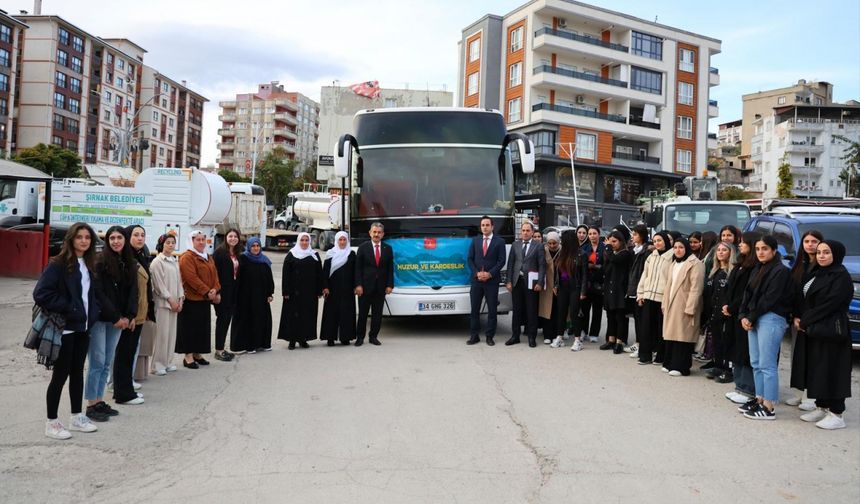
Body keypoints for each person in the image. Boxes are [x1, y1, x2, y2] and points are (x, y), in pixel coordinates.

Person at [34, 222, 101, 439]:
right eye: (79, 237)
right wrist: (69, 308)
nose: (84, 241)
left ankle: (76, 417)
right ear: (71, 239)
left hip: (83, 328)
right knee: (60, 376)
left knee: (77, 374)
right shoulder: (58, 264)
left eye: (87, 237)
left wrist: (93, 315)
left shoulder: (89, 264)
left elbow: (90, 296)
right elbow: (41, 293)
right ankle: (51, 422)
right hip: (65, 329)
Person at [792, 241, 854, 430]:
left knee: (833, 369)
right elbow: (804, 297)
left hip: (831, 331)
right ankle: (822, 405)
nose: (821, 256)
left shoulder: (841, 276)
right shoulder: (818, 273)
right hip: (815, 329)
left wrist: (805, 320)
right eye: (819, 252)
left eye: (826, 252)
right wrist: (798, 316)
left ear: (836, 254)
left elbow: (829, 304)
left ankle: (837, 413)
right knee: (818, 368)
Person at [85, 226, 137, 420]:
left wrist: (130, 316)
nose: (116, 241)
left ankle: (99, 400)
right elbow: (99, 294)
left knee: (107, 362)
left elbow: (133, 292)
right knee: (96, 362)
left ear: (125, 240)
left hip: (120, 321)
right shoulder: (100, 261)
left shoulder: (128, 262)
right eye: (112, 238)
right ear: (107, 240)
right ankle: (91, 404)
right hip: (102, 320)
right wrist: (116, 317)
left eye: (119, 237)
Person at [738, 235, 793, 420]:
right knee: (756, 362)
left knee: (767, 364)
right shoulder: (757, 268)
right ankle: (759, 399)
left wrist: (751, 317)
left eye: (765, 249)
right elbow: (747, 294)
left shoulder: (781, 271)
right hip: (754, 317)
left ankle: (769, 407)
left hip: (771, 318)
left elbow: (771, 298)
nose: (760, 252)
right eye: (758, 249)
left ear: (774, 251)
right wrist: (743, 316)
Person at [787, 229, 824, 411]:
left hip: (813, 320)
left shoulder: (823, 267)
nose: (810, 244)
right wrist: (795, 316)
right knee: (798, 356)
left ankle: (812, 397)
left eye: (814, 241)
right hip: (797, 319)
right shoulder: (799, 265)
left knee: (813, 358)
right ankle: (800, 393)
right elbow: (794, 293)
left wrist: (806, 319)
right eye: (807, 241)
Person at [722, 231, 760, 403]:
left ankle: (748, 389)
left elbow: (746, 293)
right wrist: (727, 305)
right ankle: (739, 385)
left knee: (745, 352)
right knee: (735, 349)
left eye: (743, 242)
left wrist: (733, 307)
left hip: (742, 313)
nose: (740, 245)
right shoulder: (740, 264)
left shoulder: (754, 267)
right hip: (732, 313)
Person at [113, 227, 150, 405]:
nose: (140, 238)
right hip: (131, 316)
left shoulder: (139, 256)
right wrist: (131, 314)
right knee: (124, 354)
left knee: (129, 354)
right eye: (135, 235)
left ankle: (127, 389)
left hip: (139, 314)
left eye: (142, 235)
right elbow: (127, 291)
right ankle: (123, 394)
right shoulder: (127, 260)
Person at [177, 230, 221, 369]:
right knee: (189, 329)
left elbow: (215, 275)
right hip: (192, 299)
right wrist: (207, 291)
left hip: (205, 299)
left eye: (203, 239)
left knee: (201, 328)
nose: (201, 242)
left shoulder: (208, 256)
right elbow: (191, 278)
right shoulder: (187, 257)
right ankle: (188, 356)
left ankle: (197, 354)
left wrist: (215, 289)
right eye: (198, 240)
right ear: (192, 241)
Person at [661, 238, 705, 376]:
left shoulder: (695, 264)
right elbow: (668, 285)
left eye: (681, 247)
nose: (678, 250)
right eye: (675, 247)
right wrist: (664, 303)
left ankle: (681, 367)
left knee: (683, 336)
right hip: (672, 303)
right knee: (671, 335)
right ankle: (669, 363)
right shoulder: (673, 263)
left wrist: (690, 307)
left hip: (684, 304)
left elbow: (696, 288)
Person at [278, 232, 324, 349]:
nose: (304, 242)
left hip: (309, 292)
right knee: (293, 316)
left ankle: (303, 339)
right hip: (294, 293)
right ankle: (292, 340)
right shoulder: (291, 255)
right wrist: (286, 291)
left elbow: (319, 274)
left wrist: (319, 290)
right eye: (302, 240)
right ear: (298, 241)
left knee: (307, 316)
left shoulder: (314, 255)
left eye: (306, 240)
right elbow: (286, 275)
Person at [505, 220, 546, 348]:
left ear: (532, 232)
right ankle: (515, 336)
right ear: (520, 232)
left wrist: (540, 282)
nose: (525, 232)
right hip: (517, 282)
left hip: (531, 283)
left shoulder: (538, 246)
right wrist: (508, 281)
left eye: (528, 230)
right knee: (517, 310)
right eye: (523, 230)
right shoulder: (515, 245)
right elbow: (510, 264)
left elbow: (542, 265)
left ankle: (531, 337)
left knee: (531, 310)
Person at [467, 216, 506, 346]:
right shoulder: (475, 241)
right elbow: (470, 259)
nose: (484, 227)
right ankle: (474, 335)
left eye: (487, 225)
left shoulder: (499, 242)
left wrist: (490, 274)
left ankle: (489, 336)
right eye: (482, 225)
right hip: (477, 281)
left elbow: (501, 261)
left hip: (492, 281)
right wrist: (476, 273)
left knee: (492, 310)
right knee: (474, 310)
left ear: (492, 227)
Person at [636, 231, 673, 365]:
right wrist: (640, 293)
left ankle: (660, 355)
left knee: (661, 329)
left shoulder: (672, 257)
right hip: (648, 296)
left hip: (662, 298)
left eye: (660, 240)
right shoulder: (651, 256)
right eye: (655, 241)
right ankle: (645, 355)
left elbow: (671, 280)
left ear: (666, 241)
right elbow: (644, 275)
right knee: (646, 328)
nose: (657, 243)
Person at [354, 223, 394, 346]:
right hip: (365, 288)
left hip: (380, 288)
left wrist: (389, 285)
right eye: (374, 232)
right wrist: (358, 285)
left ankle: (373, 337)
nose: (376, 234)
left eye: (379, 232)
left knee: (377, 315)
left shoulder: (388, 248)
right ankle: (360, 337)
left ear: (383, 234)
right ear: (370, 233)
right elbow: (358, 268)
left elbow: (390, 269)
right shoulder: (363, 247)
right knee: (363, 314)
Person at [232, 236, 275, 353]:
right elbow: (238, 278)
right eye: (253, 246)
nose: (255, 248)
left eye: (257, 246)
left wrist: (270, 293)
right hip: (246, 296)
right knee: (249, 320)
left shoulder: (264, 260)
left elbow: (269, 279)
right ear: (249, 247)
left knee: (263, 320)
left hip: (261, 297)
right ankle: (249, 345)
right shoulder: (243, 259)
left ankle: (263, 344)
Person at [149, 233, 183, 376]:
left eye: (173, 242)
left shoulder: (174, 261)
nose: (170, 245)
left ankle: (168, 361)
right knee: (162, 335)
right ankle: (157, 365)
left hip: (175, 303)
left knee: (171, 334)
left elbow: (179, 282)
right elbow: (159, 285)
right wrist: (170, 299)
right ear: (162, 244)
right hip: (164, 303)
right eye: (168, 242)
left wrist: (181, 298)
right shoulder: (157, 262)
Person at [702, 242, 737, 380]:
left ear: (730, 253)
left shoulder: (732, 271)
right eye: (719, 250)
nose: (721, 252)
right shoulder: (714, 271)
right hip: (714, 312)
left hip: (726, 314)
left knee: (726, 341)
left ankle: (727, 370)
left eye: (724, 250)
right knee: (716, 340)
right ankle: (717, 365)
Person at [554, 230, 587, 351]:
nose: (562, 242)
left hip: (575, 287)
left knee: (574, 313)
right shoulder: (561, 253)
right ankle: (559, 337)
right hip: (562, 287)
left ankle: (577, 340)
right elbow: (557, 272)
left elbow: (584, 275)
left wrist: (583, 292)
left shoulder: (581, 254)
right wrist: (556, 285)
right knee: (561, 312)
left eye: (564, 240)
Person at [321, 231, 357, 346]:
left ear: (347, 241)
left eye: (344, 240)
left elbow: (355, 272)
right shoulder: (330, 254)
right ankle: (330, 337)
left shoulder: (351, 254)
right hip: (332, 289)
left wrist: (356, 286)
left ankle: (345, 337)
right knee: (331, 313)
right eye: (340, 240)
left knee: (346, 313)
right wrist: (325, 287)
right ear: (336, 241)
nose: (342, 242)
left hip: (347, 289)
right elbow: (325, 272)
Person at [601, 230, 632, 354]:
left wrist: (607, 247)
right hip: (609, 289)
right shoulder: (611, 254)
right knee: (610, 316)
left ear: (621, 241)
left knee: (620, 317)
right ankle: (611, 339)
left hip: (620, 289)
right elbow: (606, 269)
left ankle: (620, 342)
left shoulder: (625, 253)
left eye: (614, 241)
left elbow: (615, 260)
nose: (612, 244)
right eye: (610, 242)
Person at [212, 229, 240, 361]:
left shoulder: (237, 253)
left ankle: (221, 348)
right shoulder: (219, 252)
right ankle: (218, 350)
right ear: (226, 238)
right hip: (222, 292)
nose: (233, 238)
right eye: (230, 236)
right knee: (222, 320)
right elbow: (214, 273)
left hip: (233, 293)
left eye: (235, 236)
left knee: (227, 320)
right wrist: (217, 292)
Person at [625, 225, 650, 357]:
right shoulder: (633, 250)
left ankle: (642, 345)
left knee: (642, 319)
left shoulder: (646, 251)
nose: (633, 237)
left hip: (642, 288)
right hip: (633, 287)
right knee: (636, 317)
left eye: (635, 234)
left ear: (642, 235)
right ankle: (637, 342)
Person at [580, 226, 605, 343]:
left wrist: (595, 266)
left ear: (599, 234)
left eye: (594, 233)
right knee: (584, 309)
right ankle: (583, 331)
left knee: (597, 310)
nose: (592, 236)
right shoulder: (584, 248)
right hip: (587, 283)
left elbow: (606, 265)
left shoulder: (604, 247)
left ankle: (594, 333)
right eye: (590, 234)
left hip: (599, 283)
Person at [539, 231, 561, 345]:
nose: (552, 246)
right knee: (547, 310)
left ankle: (557, 334)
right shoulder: (543, 250)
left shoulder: (562, 251)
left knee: (557, 311)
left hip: (559, 285)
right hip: (547, 285)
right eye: (550, 243)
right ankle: (547, 335)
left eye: (554, 243)